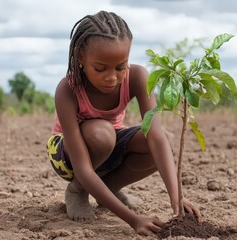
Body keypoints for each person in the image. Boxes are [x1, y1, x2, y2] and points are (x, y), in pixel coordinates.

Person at [46, 10, 201, 236]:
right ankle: (77, 191)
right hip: (67, 154)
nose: (112, 77)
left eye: (121, 66)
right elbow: (82, 166)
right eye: (100, 69)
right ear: (80, 58)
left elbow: (156, 138)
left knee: (164, 139)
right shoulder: (67, 89)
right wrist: (133, 220)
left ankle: (109, 187)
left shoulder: (137, 76)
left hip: (110, 141)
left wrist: (177, 198)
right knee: (102, 134)